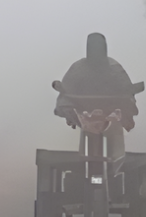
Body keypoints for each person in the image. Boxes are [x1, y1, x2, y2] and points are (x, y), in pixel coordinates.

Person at [55, 33, 137, 162]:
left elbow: (127, 92)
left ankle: (119, 165)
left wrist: (128, 113)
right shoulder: (78, 68)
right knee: (81, 140)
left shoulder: (114, 68)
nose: (96, 51)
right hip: (86, 118)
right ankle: (82, 165)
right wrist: (68, 111)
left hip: (111, 117)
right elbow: (66, 93)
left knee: (118, 142)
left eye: (99, 47)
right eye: (93, 47)